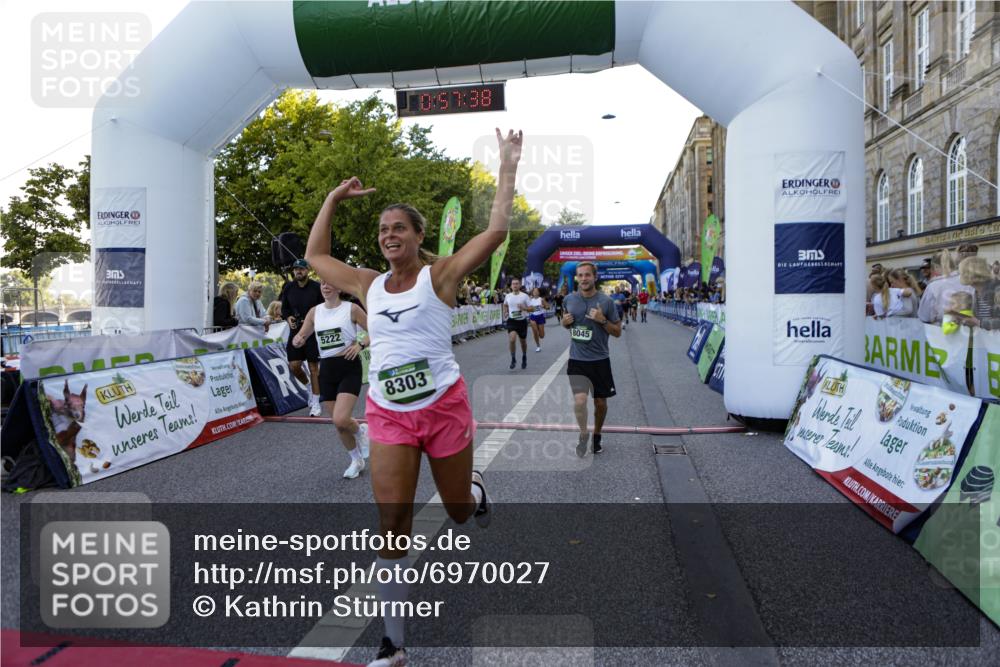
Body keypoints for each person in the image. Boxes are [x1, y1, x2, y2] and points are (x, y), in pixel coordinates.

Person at [304, 128, 522, 667]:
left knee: (458, 512)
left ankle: (472, 489)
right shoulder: (367, 283)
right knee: (392, 522)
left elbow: (495, 231)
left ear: (419, 234)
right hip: (390, 414)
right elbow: (314, 254)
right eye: (382, 229)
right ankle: (393, 643)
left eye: (398, 227)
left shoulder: (440, 275)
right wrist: (332, 198)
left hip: (443, 408)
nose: (388, 234)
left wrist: (507, 165)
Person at [292, 280, 371, 479]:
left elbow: (376, 329)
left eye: (330, 284)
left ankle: (361, 431)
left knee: (341, 418)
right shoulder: (314, 312)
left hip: (348, 366)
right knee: (339, 424)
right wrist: (298, 339)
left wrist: (360, 344)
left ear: (339, 288)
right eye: (322, 284)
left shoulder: (351, 309)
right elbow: (303, 334)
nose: (325, 287)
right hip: (326, 370)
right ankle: (356, 460)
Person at [561, 261, 621, 457]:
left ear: (595, 277)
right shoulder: (569, 299)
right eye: (580, 275)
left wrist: (602, 320)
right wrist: (564, 323)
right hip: (577, 360)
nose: (584, 279)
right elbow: (567, 323)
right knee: (579, 401)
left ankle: (597, 435)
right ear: (576, 277)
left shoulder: (607, 302)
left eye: (587, 275)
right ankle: (583, 434)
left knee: (600, 403)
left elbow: (618, 332)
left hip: (600, 360)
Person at [280, 259, 325, 416]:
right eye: (296, 269)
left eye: (301, 269)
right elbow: (284, 309)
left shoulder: (316, 287)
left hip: (313, 332)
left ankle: (316, 403)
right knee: (294, 366)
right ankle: (308, 389)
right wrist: (288, 317)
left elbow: (324, 308)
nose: (298, 271)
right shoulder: (288, 287)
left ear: (308, 271)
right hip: (296, 332)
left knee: (314, 368)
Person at [917, 249, 973, 324]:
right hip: (970, 328)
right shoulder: (967, 280)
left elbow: (924, 316)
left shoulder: (933, 287)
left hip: (942, 330)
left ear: (936, 267)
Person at [955, 256, 1000, 331]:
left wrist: (978, 322)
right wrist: (965, 321)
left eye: (962, 273)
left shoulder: (997, 289)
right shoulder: (976, 292)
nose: (960, 276)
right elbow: (979, 320)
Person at [503, 278, 532, 369]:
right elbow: (505, 305)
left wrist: (524, 308)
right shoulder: (508, 296)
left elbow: (532, 308)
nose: (515, 285)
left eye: (517, 283)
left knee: (523, 342)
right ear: (511, 286)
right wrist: (506, 312)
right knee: (512, 339)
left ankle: (524, 356)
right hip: (512, 321)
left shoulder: (525, 296)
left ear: (519, 285)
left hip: (522, 322)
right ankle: (513, 358)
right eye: (513, 284)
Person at [527, 287, 548, 353]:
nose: (535, 292)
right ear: (532, 293)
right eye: (534, 291)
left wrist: (544, 306)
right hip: (533, 316)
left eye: (536, 291)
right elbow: (528, 309)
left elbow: (548, 307)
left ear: (539, 293)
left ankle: (540, 332)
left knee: (542, 336)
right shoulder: (530, 300)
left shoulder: (541, 299)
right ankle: (538, 346)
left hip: (540, 316)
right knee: (535, 331)